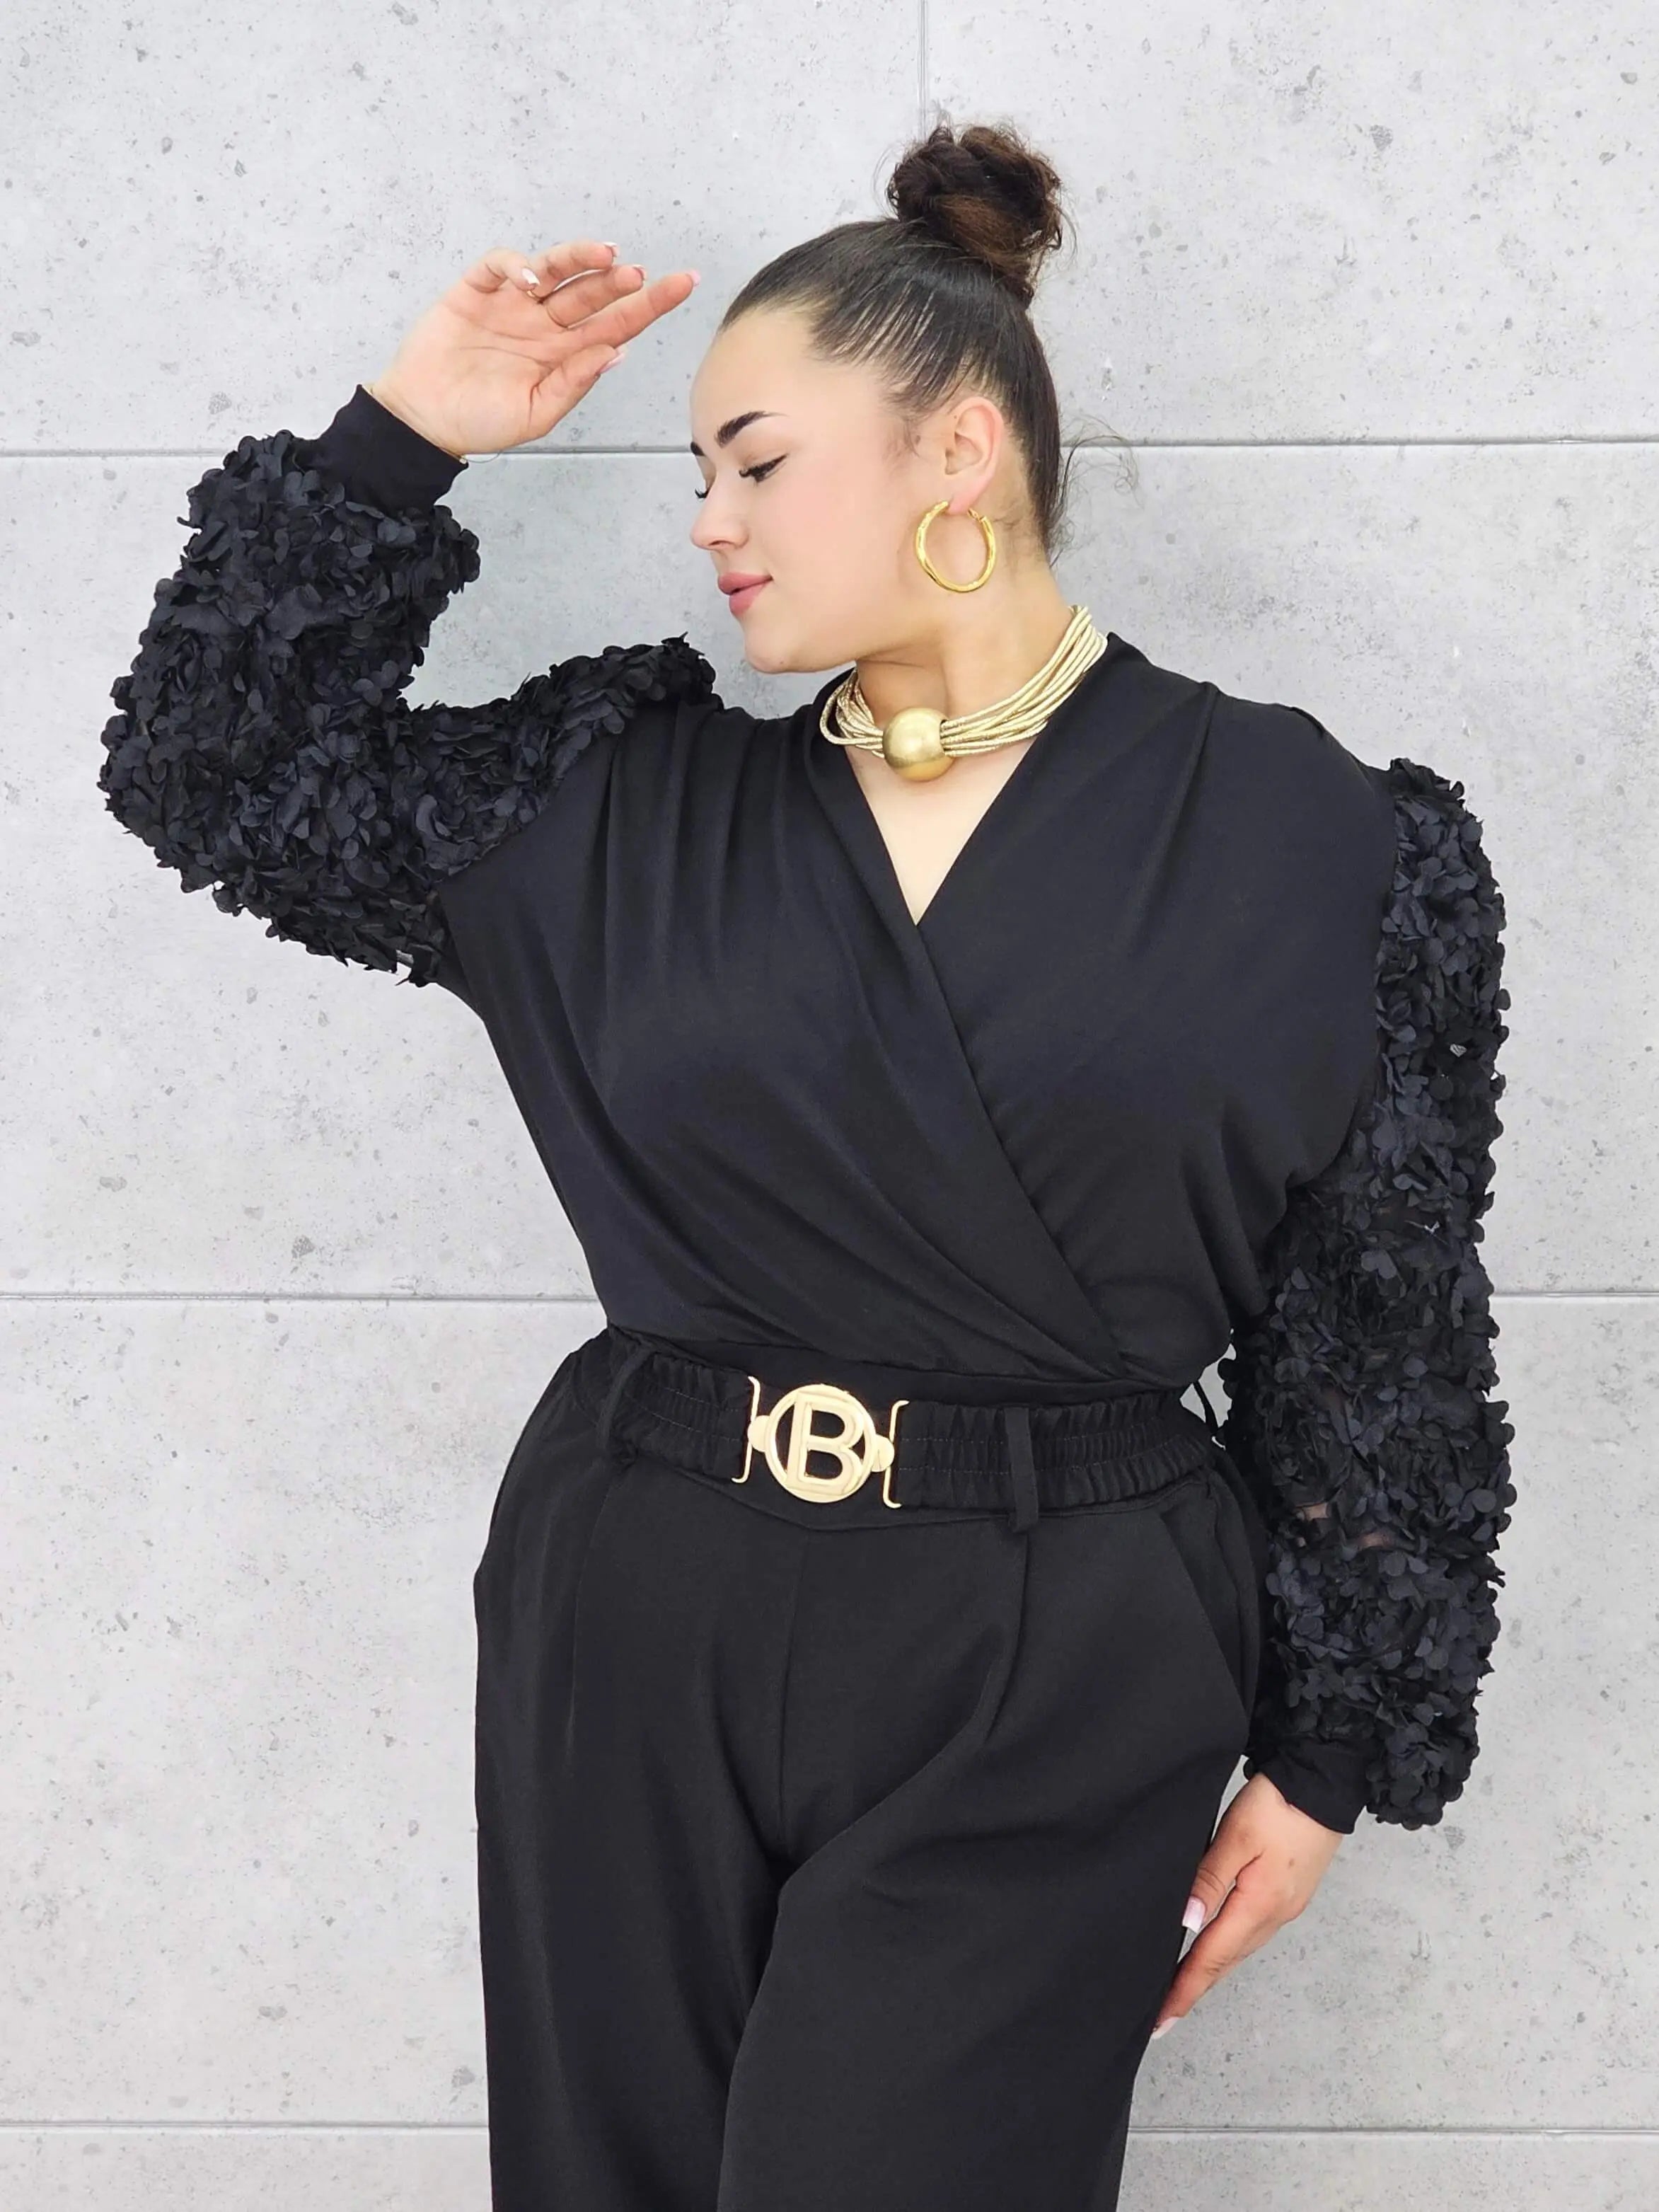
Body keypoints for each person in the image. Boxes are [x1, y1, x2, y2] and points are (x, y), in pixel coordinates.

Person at [98, 119, 1515, 2212]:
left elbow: (1381, 1331)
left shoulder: (1330, 849)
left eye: (755, 463)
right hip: (635, 1607)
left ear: (960, 452)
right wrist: (410, 435)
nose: (710, 523)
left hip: (1061, 1646)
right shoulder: (608, 803)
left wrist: (1328, 1757)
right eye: (701, 476)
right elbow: (210, 772)